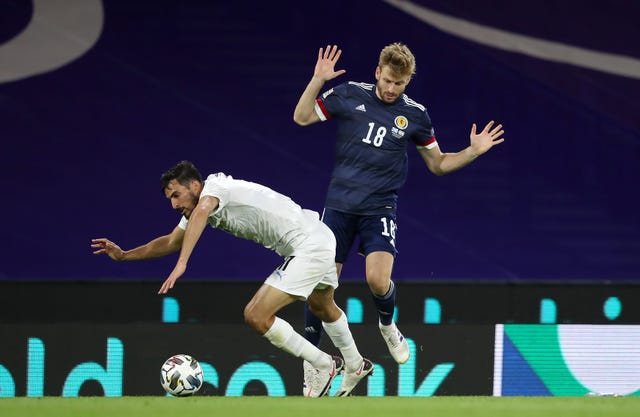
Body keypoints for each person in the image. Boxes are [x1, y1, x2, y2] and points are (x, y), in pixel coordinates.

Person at [293, 44, 505, 373]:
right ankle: (314, 366)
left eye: (400, 83)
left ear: (408, 82)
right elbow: (302, 116)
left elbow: (438, 165)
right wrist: (317, 80)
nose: (392, 89)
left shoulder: (415, 115)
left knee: (378, 281)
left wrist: (472, 151)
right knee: (321, 290)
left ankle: (388, 326)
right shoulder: (349, 94)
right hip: (339, 207)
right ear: (378, 72)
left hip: (379, 207)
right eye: (389, 80)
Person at [90, 160, 374, 397]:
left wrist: (183, 264)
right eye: (169, 199)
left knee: (256, 314)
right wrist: (125, 255)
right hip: (319, 236)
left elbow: (200, 213)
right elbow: (171, 240)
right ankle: (355, 363)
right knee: (322, 305)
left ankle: (323, 363)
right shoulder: (201, 205)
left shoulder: (214, 189)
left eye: (176, 195)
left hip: (308, 244)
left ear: (195, 186)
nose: (174, 204)